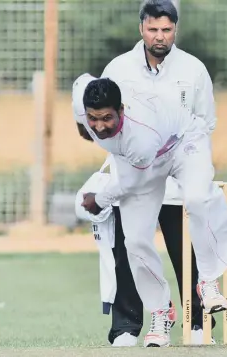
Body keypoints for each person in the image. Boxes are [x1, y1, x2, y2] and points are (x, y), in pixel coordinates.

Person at [72, 73, 227, 347]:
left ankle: (207, 282)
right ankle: (161, 312)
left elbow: (133, 182)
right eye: (93, 119)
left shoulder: (140, 136)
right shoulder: (85, 107)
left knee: (197, 199)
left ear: (121, 111)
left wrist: (100, 198)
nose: (99, 127)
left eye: (107, 119)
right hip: (139, 159)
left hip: (182, 147)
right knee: (135, 241)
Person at [98, 0, 225, 345]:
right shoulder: (119, 69)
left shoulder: (193, 69)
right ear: (141, 28)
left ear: (175, 30)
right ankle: (144, 320)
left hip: (179, 170)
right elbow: (107, 121)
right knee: (134, 245)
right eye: (153, 29)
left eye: (166, 30)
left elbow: (206, 121)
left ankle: (199, 320)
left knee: (192, 227)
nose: (159, 36)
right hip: (137, 171)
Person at [76, 122, 200, 347]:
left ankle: (197, 323)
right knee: (129, 247)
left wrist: (101, 199)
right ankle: (127, 324)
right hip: (129, 170)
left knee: (184, 249)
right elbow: (87, 126)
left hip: (175, 172)